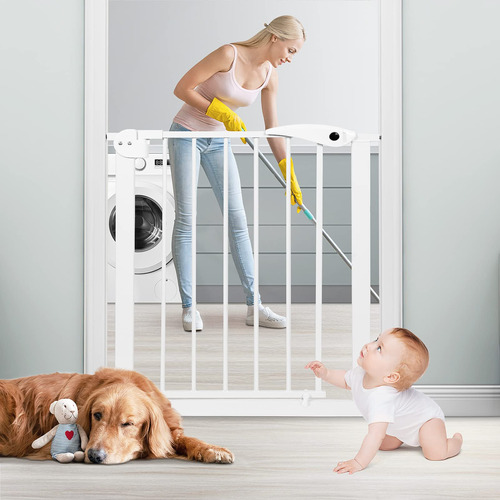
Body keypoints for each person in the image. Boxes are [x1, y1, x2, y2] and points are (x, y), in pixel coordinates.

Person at [168, 16, 306, 332]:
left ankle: (254, 306)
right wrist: (220, 111)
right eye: (291, 50)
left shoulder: (270, 76)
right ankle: (189, 308)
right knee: (187, 219)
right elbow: (182, 88)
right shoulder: (228, 54)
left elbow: (273, 130)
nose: (290, 58)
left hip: (219, 141)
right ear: (275, 38)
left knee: (238, 220)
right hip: (186, 133)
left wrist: (289, 173)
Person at [305, 328, 463, 474]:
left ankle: (455, 442)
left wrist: (358, 462)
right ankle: (401, 437)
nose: (369, 346)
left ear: (391, 377)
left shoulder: (382, 398)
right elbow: (346, 381)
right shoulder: (361, 374)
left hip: (426, 422)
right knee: (384, 446)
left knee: (435, 454)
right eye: (376, 340)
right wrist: (325, 374)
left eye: (379, 348)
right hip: (400, 426)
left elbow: (374, 435)